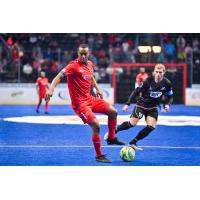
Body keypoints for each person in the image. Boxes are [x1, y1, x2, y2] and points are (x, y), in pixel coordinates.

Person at [45, 44, 124, 163]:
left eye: (85, 54)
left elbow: (91, 78)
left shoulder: (91, 64)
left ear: (89, 54)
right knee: (96, 125)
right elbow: (58, 77)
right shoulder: (73, 66)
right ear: (78, 53)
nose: (83, 56)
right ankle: (99, 156)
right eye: (81, 53)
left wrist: (97, 88)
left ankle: (111, 138)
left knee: (113, 112)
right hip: (80, 104)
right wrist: (51, 90)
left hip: (90, 99)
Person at [104, 64, 173, 150]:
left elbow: (170, 96)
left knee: (151, 126)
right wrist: (127, 104)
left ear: (164, 73)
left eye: (160, 72)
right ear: (154, 72)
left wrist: (167, 104)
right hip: (141, 105)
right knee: (132, 124)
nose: (158, 74)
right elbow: (136, 91)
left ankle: (133, 142)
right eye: (157, 72)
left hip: (152, 107)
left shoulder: (167, 83)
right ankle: (113, 132)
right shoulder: (148, 81)